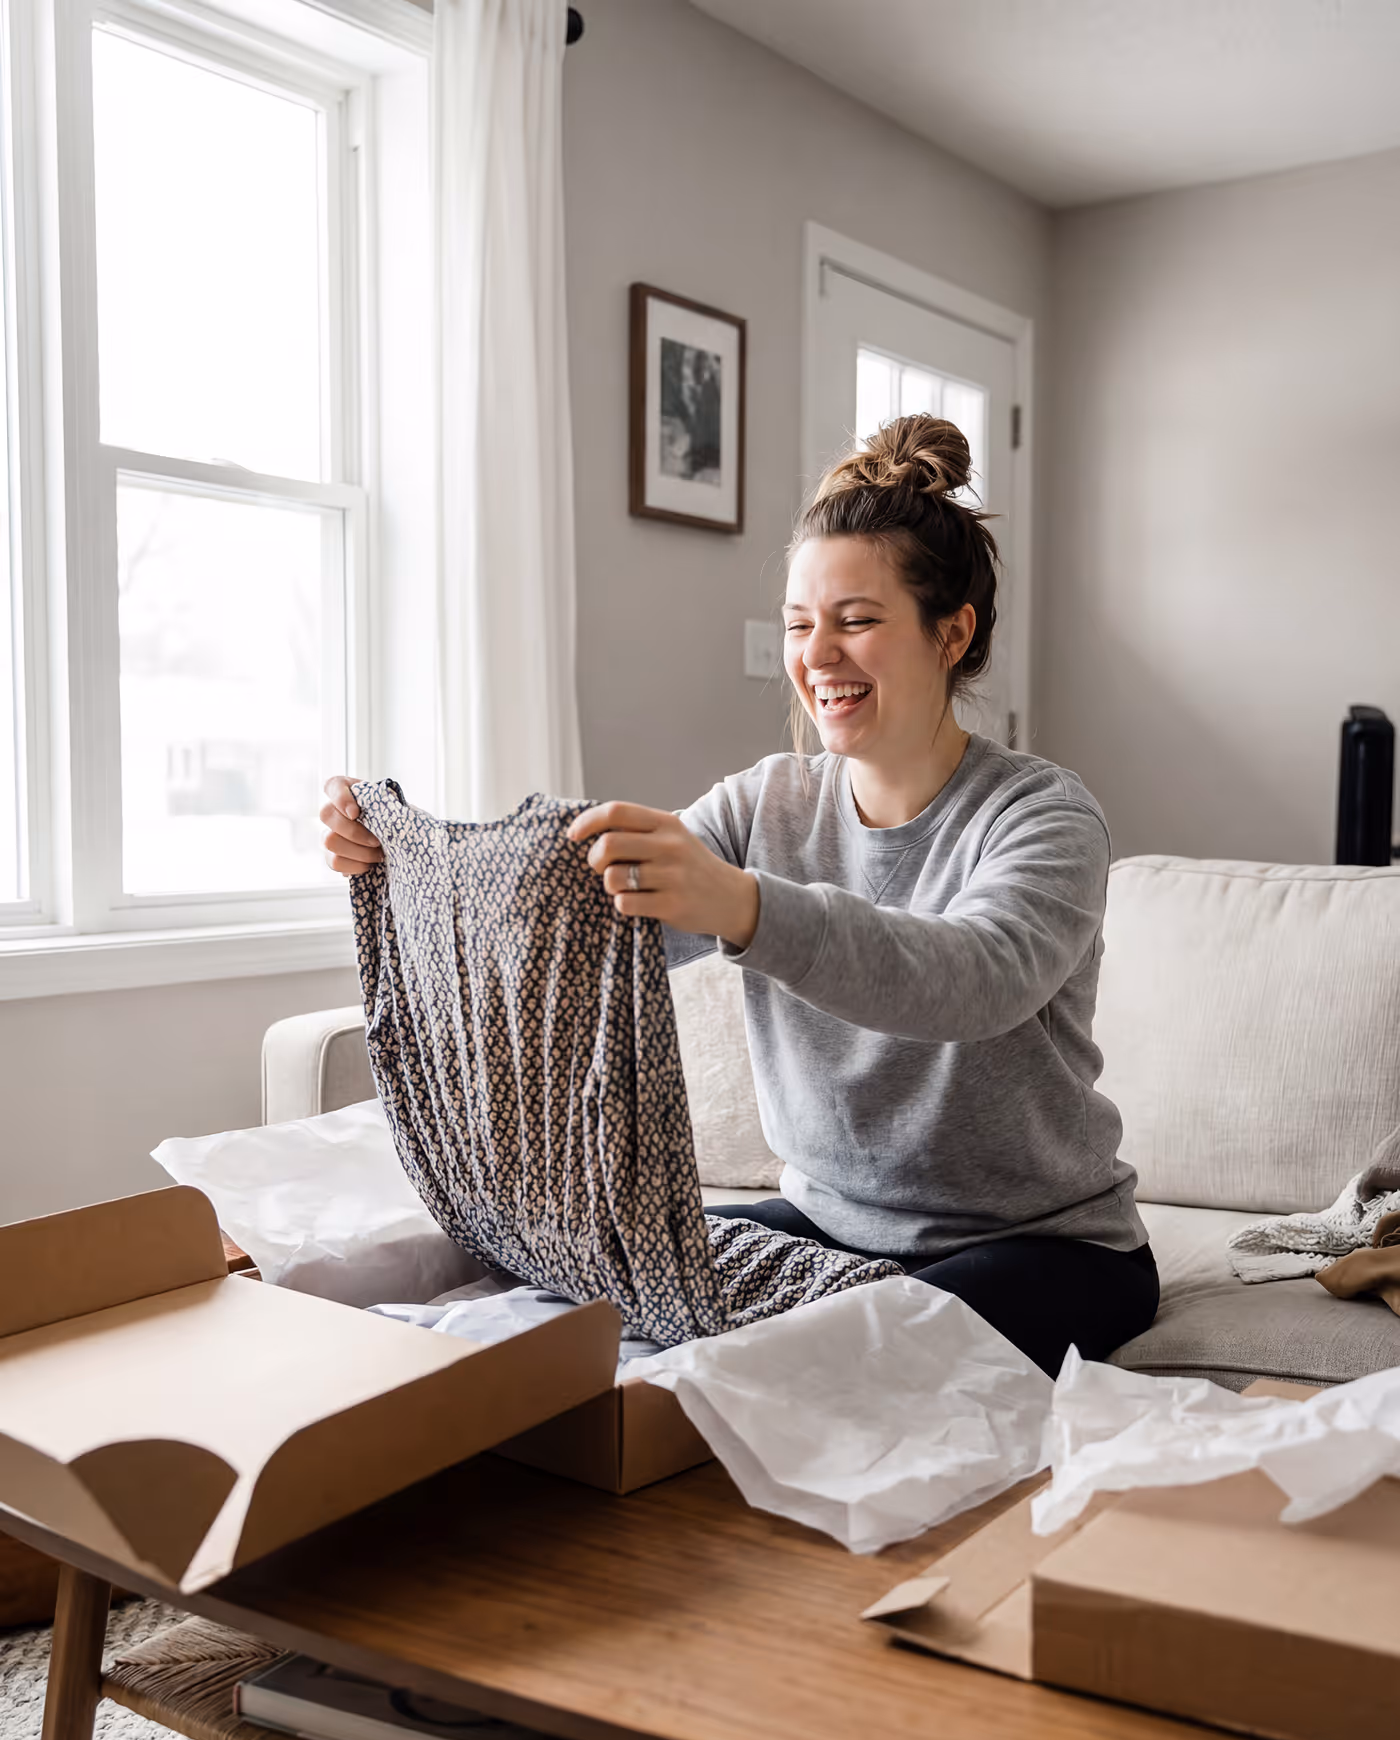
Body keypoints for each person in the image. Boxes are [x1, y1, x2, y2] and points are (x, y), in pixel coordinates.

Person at [321, 414, 1157, 1376]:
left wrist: (747, 907)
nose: (818, 655)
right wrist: (402, 863)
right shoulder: (767, 799)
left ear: (952, 631)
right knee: (601, 1288)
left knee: (818, 1363)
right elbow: (587, 924)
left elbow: (974, 979)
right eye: (802, 625)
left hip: (1052, 1247)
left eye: (857, 620)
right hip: (830, 1218)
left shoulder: (1042, 813)